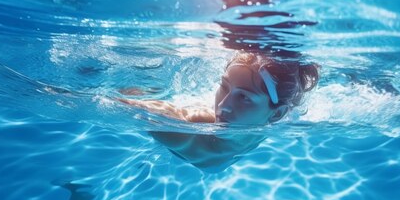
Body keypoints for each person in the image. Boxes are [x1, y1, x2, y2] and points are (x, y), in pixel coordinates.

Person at [118, 52, 318, 172]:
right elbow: (126, 103)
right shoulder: (192, 131)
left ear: (276, 115)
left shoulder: (195, 139)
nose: (223, 105)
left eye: (244, 97)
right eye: (224, 86)